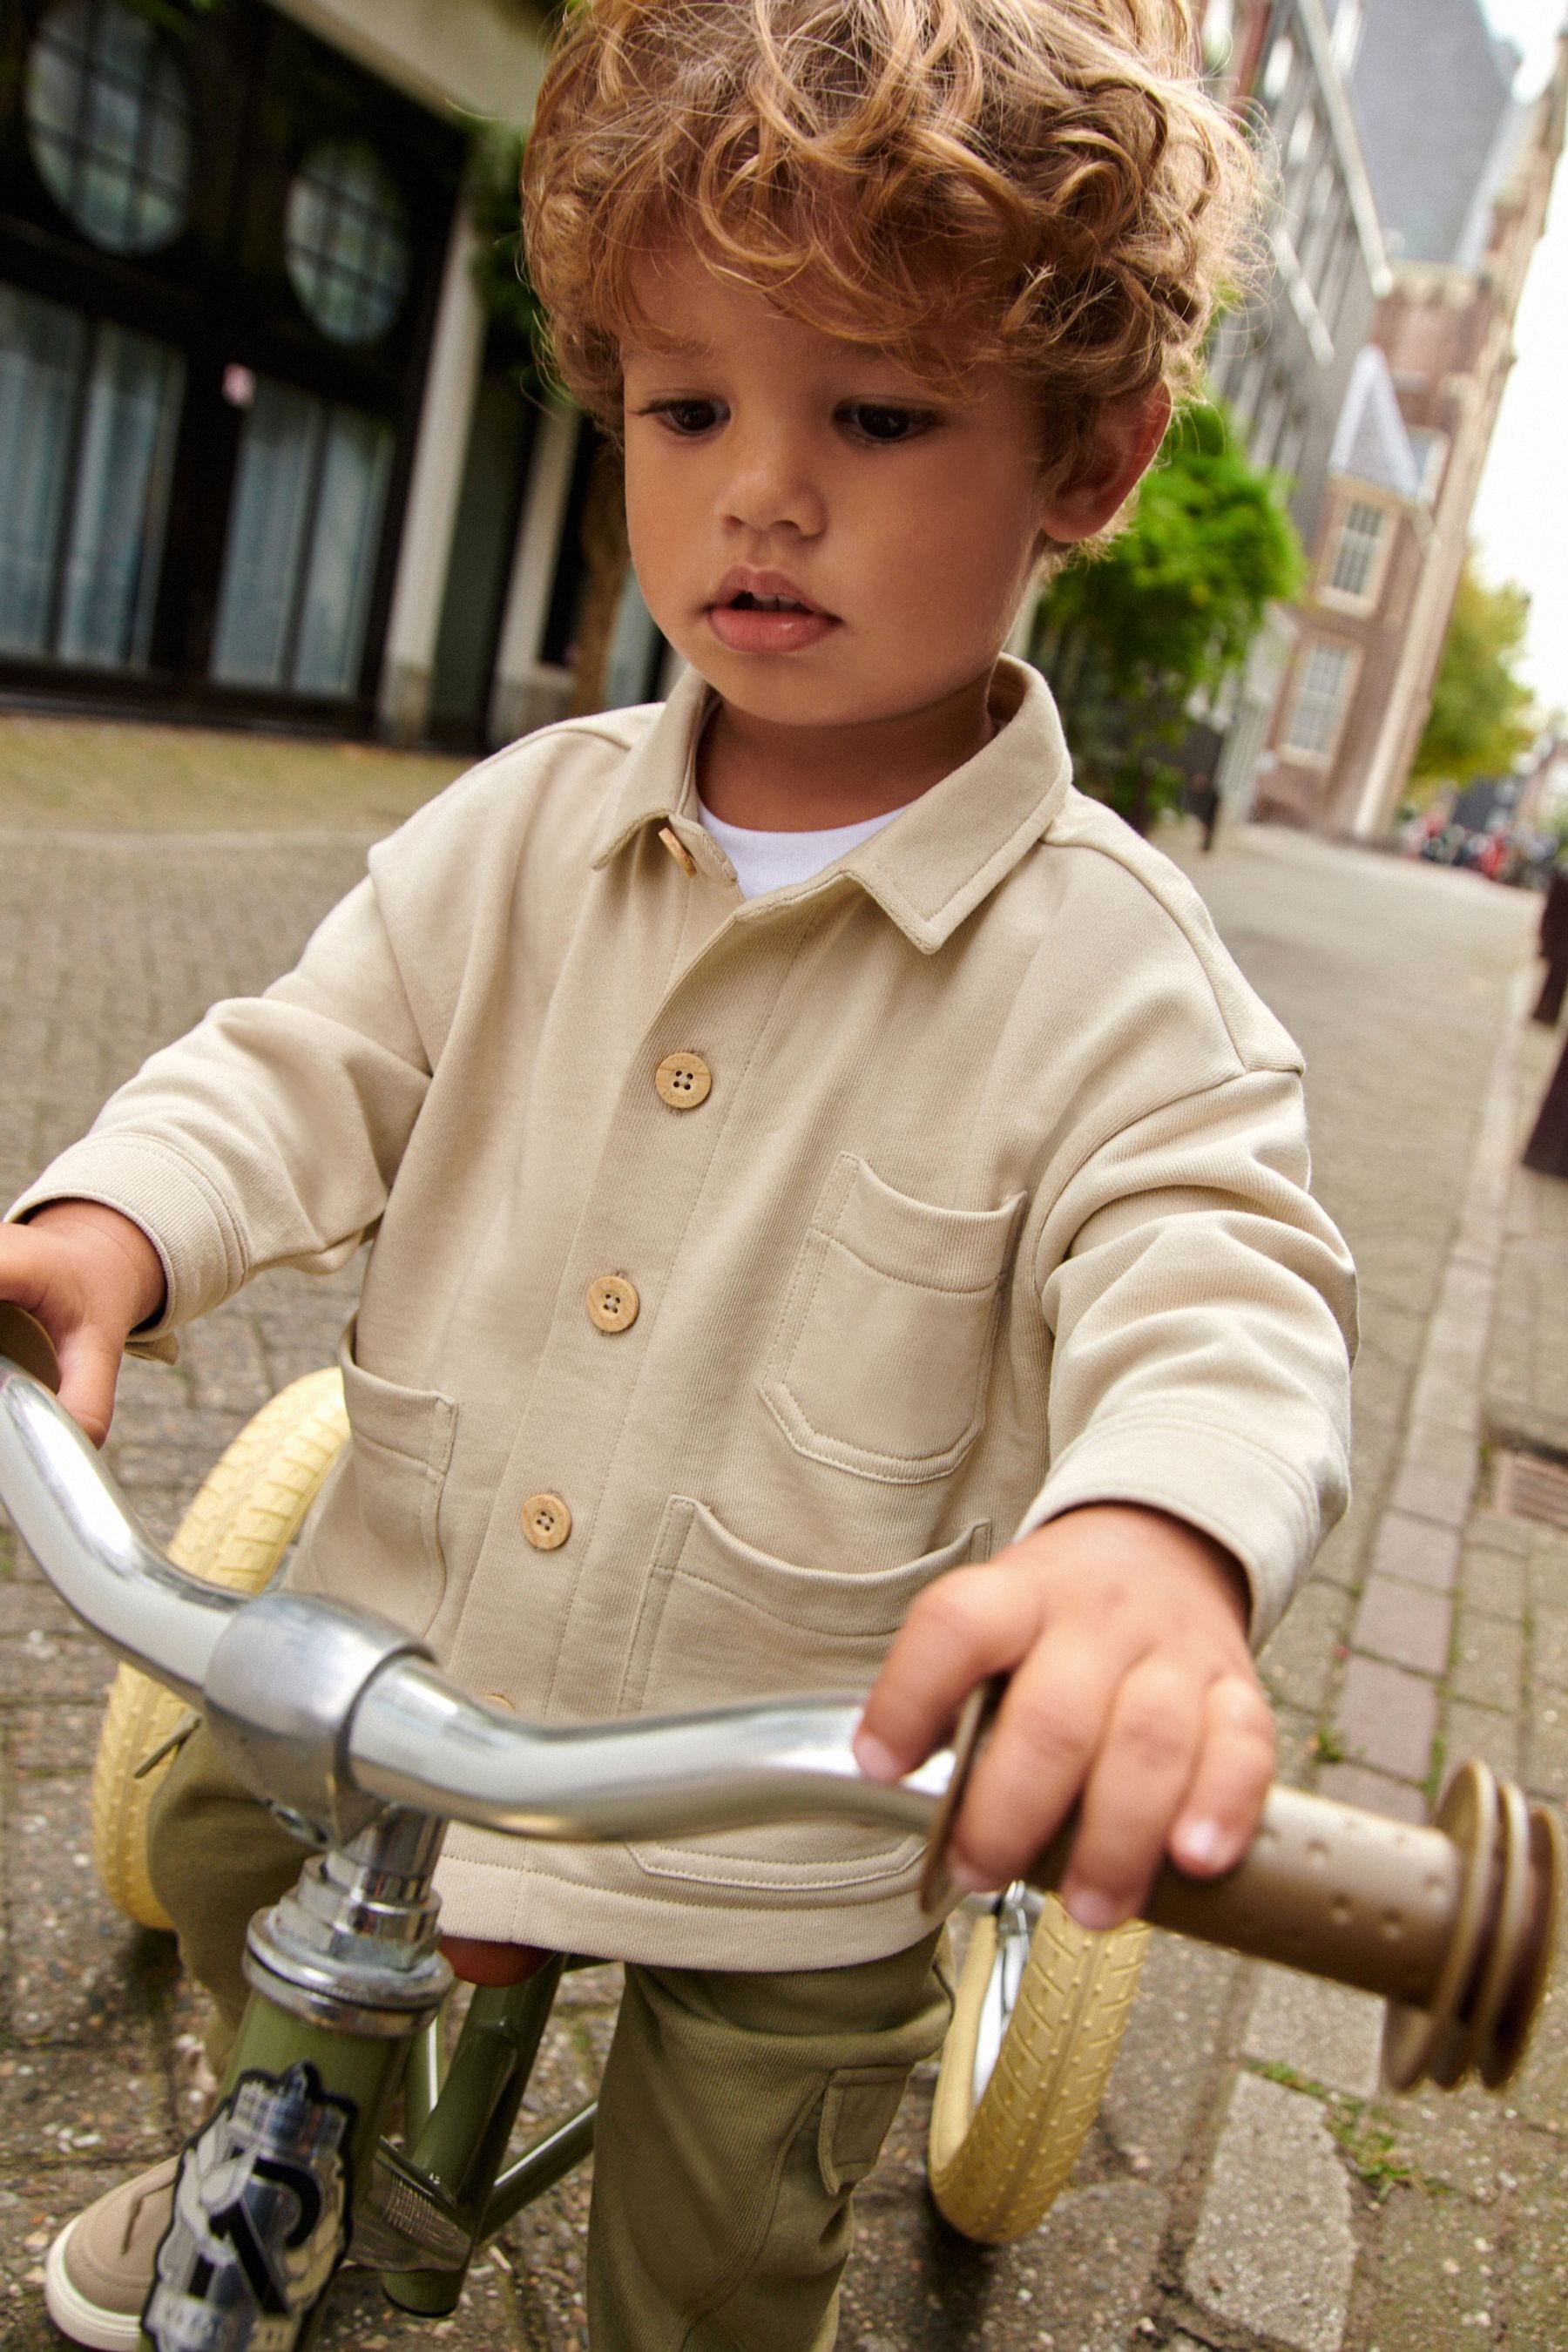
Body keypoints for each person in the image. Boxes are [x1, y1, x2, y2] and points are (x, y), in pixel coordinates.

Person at [6, 3, 1356, 2344]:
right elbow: (304, 1059)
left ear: (1097, 459)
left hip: (781, 1816)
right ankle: (272, 2147)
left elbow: (1219, 1273)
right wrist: (114, 1221)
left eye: (881, 412)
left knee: (725, 2233)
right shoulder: (524, 823)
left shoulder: (1122, 981)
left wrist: (1154, 1541)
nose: (760, 489)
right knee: (233, 1849)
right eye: (688, 405)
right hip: (400, 1671)